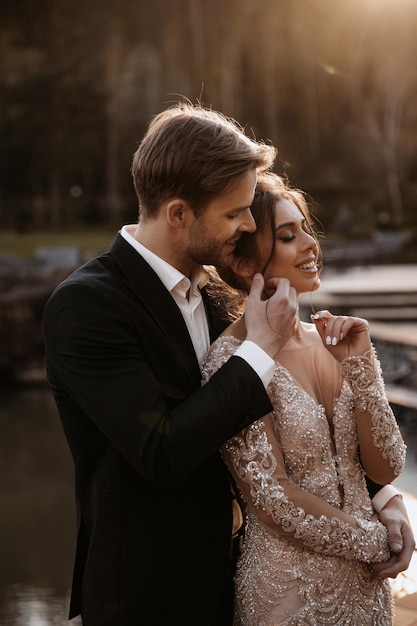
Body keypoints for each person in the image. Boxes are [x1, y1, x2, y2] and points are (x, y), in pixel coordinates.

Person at [42, 104, 413, 626]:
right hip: (147, 596)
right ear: (178, 214)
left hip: (239, 582)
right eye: (235, 212)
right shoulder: (87, 307)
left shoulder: (219, 297)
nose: (245, 226)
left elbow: (315, 438)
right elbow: (162, 451)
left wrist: (385, 498)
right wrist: (259, 348)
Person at [202, 171, 411, 625]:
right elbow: (274, 499)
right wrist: (381, 541)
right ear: (243, 265)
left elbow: (387, 465)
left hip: (368, 592)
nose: (310, 244)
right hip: (289, 593)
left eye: (307, 230)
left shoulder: (333, 341)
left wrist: (361, 364)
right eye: (287, 236)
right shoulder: (230, 362)